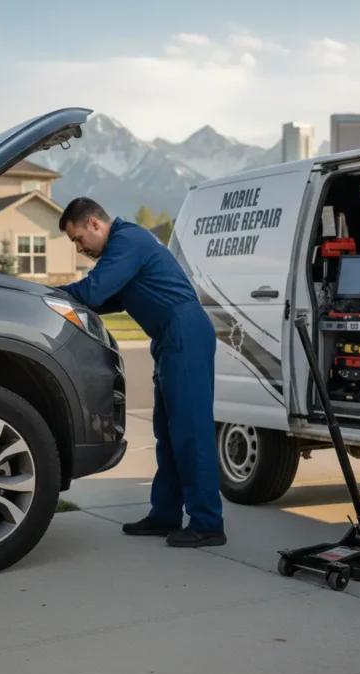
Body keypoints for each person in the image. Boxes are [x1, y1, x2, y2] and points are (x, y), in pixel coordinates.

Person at [57, 197, 226, 547]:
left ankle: (208, 523)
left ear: (94, 224)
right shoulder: (126, 247)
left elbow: (94, 290)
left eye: (78, 239)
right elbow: (105, 300)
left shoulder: (127, 241)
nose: (79, 249)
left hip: (185, 333)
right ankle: (165, 514)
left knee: (191, 431)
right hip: (169, 338)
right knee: (167, 431)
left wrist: (48, 295)